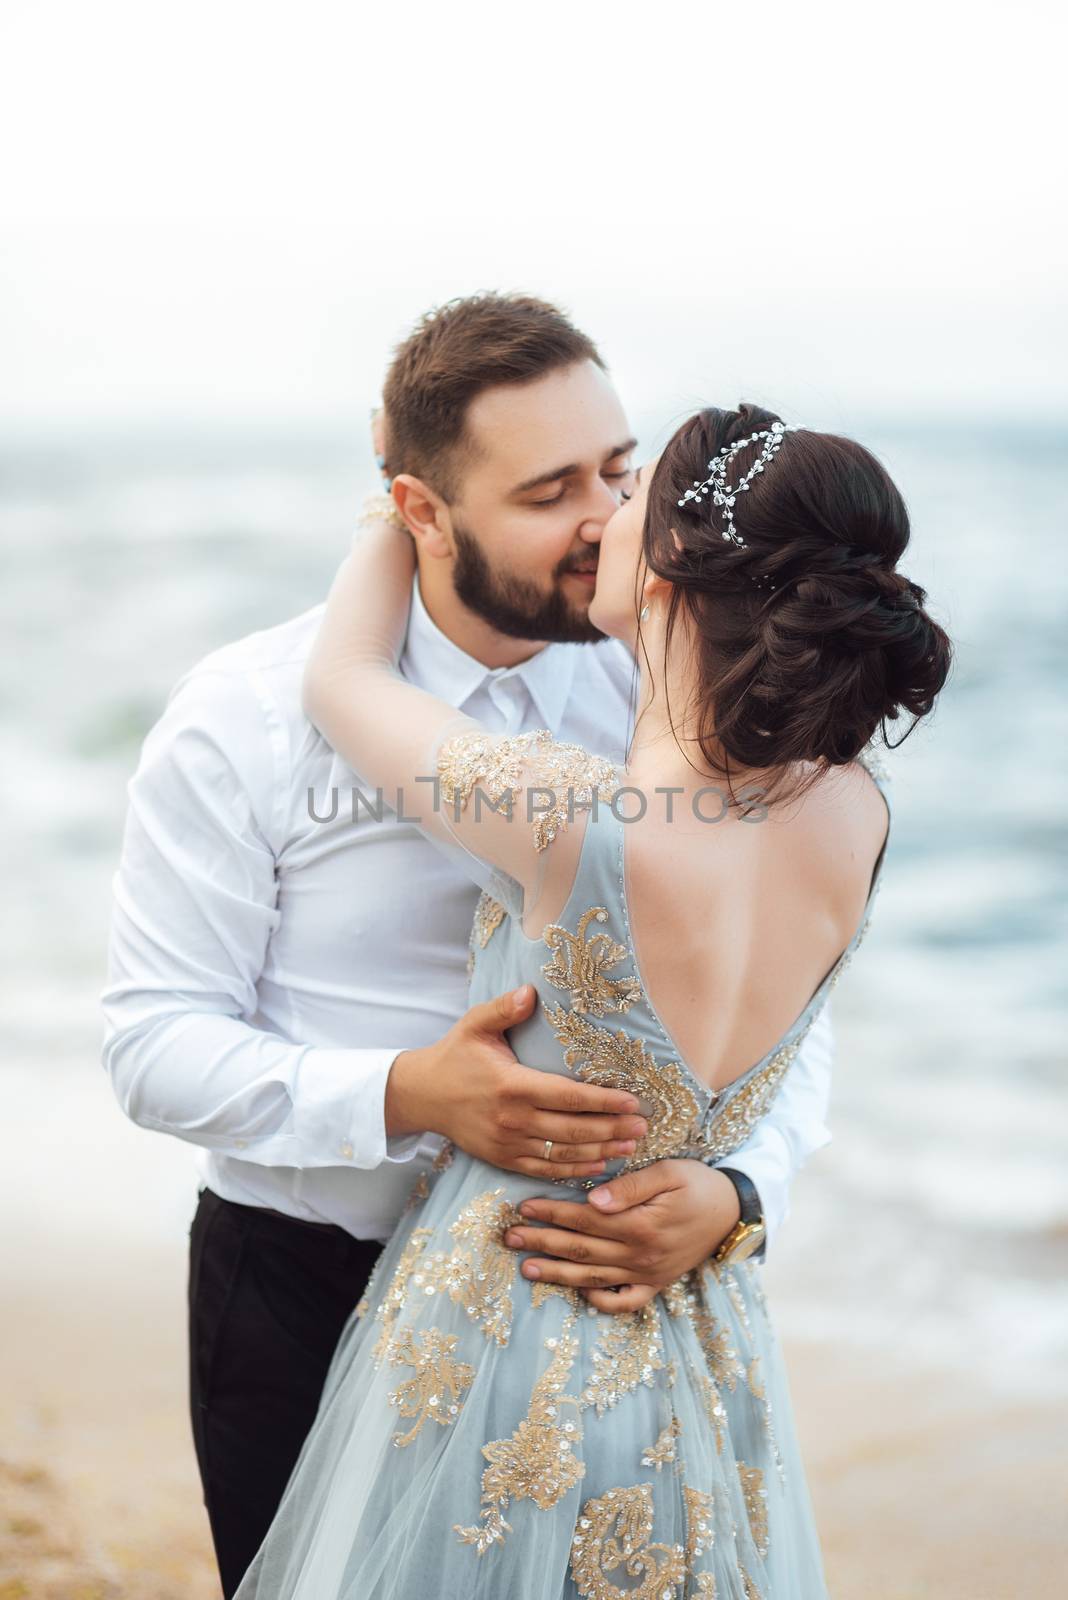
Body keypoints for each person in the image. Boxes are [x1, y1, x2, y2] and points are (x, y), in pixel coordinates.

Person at [101, 296, 835, 1598]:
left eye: (619, 470)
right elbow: (154, 1046)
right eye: (552, 490)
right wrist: (403, 1095)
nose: (608, 518)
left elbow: (792, 987)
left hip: (593, 1298)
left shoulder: (671, 700)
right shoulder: (247, 719)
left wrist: (742, 1191)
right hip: (300, 1286)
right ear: (420, 513)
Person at [230, 402, 951, 1597]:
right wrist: (736, 1190)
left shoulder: (570, 819)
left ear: (666, 575)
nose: (605, 513)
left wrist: (397, 505)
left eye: (633, 495)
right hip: (699, 1328)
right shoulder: (856, 813)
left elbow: (345, 674)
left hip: (510, 1325)